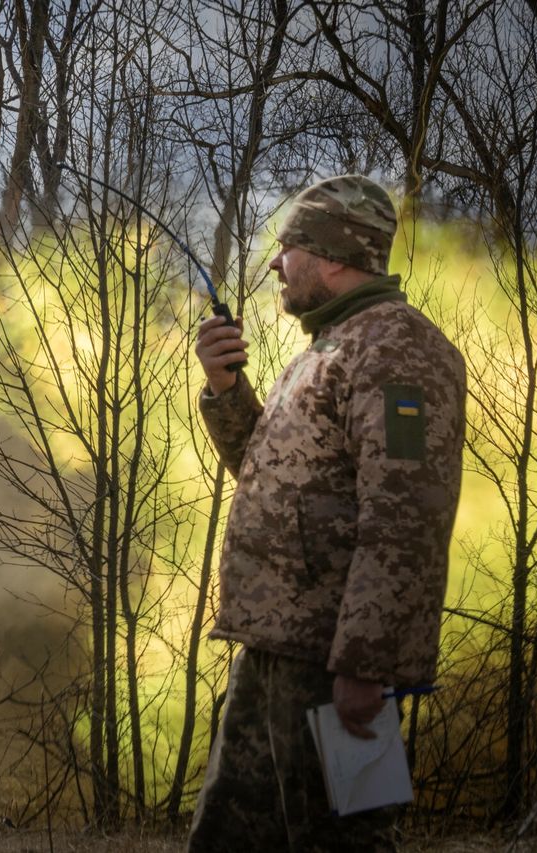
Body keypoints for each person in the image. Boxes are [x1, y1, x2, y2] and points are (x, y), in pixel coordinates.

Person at [185, 175, 467, 852]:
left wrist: (366, 662)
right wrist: (226, 388)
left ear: (335, 257)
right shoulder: (323, 350)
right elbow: (269, 472)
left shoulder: (398, 349)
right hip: (274, 654)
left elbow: (406, 518)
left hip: (334, 665)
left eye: (289, 247)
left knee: (350, 842)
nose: (276, 264)